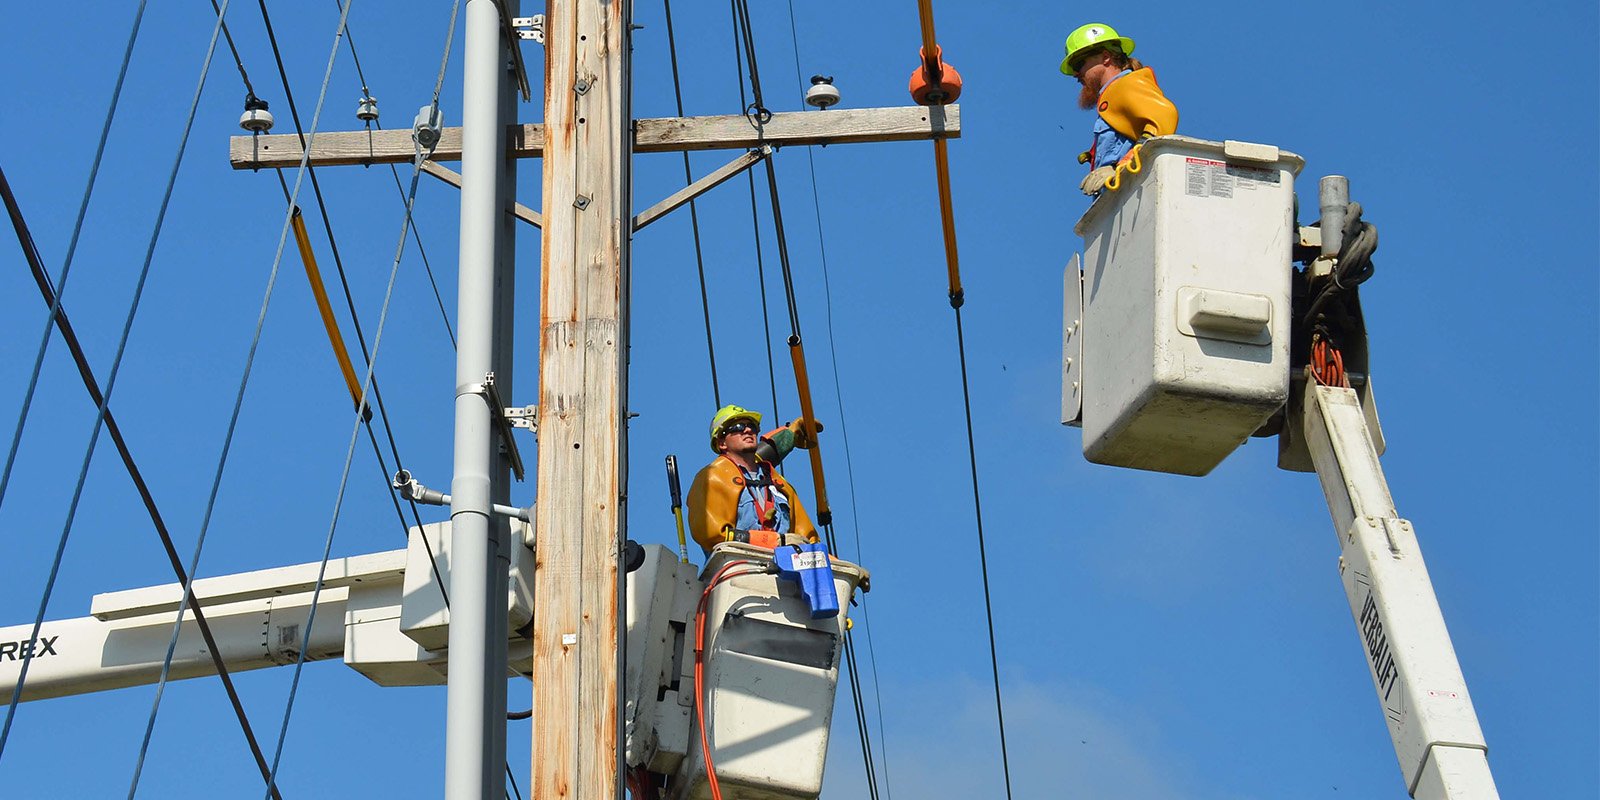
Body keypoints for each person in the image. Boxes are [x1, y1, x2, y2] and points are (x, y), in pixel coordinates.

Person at [1061, 23, 1179, 195]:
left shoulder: (1125, 85)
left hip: (1132, 194)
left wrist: (1120, 166)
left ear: (1106, 57)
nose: (1075, 74)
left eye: (1079, 64)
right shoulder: (1112, 93)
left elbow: (1165, 116)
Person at [686, 404, 820, 554]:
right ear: (721, 443)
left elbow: (809, 539)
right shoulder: (711, 478)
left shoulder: (778, 484)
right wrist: (774, 541)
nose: (748, 430)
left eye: (752, 426)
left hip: (788, 568)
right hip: (740, 567)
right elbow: (712, 533)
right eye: (737, 427)